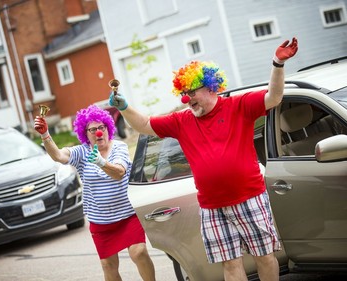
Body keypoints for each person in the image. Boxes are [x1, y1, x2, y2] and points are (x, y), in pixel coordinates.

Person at [109, 38, 298, 281]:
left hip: (249, 197)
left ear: (211, 87)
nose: (187, 99)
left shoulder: (239, 106)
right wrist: (125, 107)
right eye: (184, 93)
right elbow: (145, 125)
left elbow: (273, 97)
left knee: (264, 256)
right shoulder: (182, 121)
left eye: (192, 92)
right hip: (212, 206)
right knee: (230, 265)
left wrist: (278, 63)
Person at [34, 105, 156, 281]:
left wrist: (100, 162)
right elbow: (59, 156)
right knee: (108, 265)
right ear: (85, 133)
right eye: (92, 129)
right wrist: (45, 135)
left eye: (101, 127)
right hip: (101, 220)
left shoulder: (119, 147)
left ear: (108, 127)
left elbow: (119, 172)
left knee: (139, 252)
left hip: (128, 215)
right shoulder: (82, 152)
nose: (98, 132)